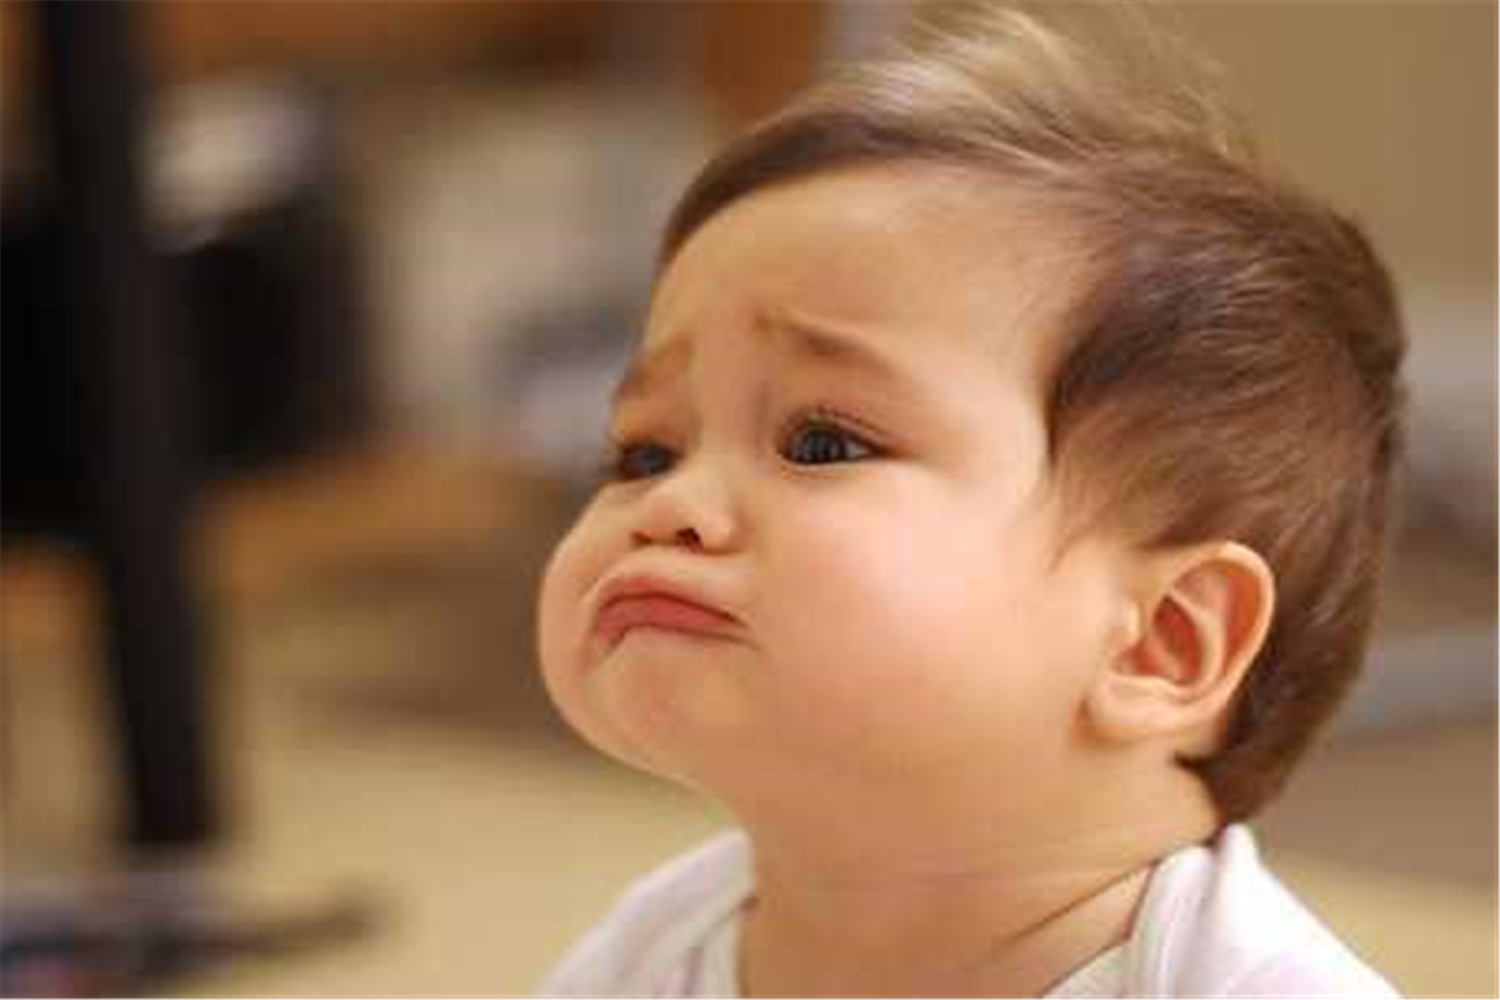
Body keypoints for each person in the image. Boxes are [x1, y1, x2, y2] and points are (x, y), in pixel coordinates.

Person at [534, 2, 1405, 996]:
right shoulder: (646, 957)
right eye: (643, 452)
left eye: (822, 443)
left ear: (1159, 641)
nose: (671, 505)